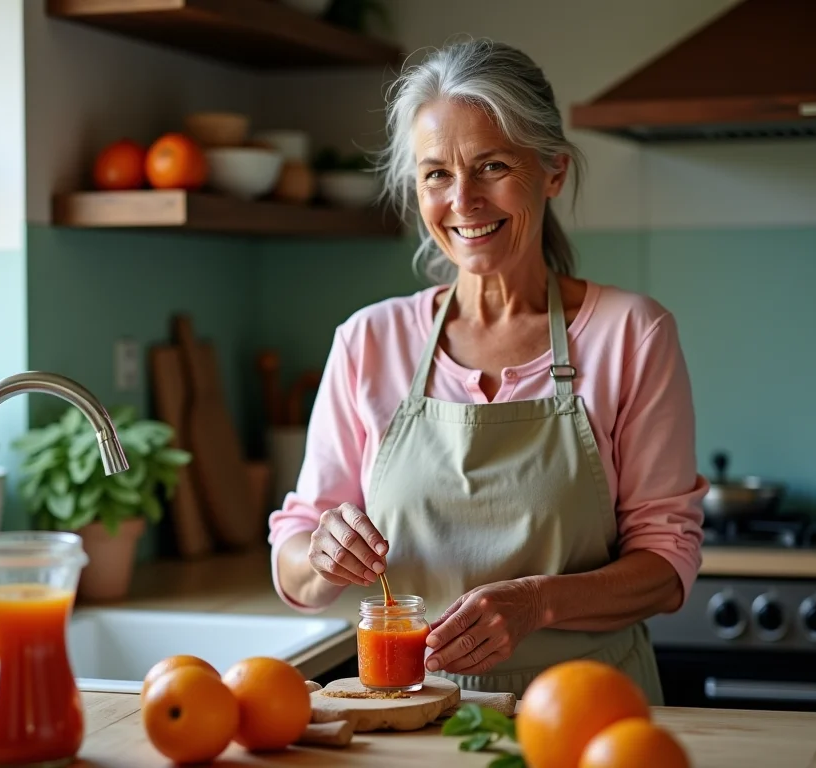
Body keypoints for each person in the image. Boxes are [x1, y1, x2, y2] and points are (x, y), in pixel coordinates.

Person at [266, 38, 707, 701]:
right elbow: (296, 559)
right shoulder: (369, 341)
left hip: (588, 711)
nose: (463, 200)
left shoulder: (631, 334)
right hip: (413, 715)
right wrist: (321, 555)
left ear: (553, 172)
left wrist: (539, 603)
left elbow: (667, 565)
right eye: (436, 174)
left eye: (492, 166)